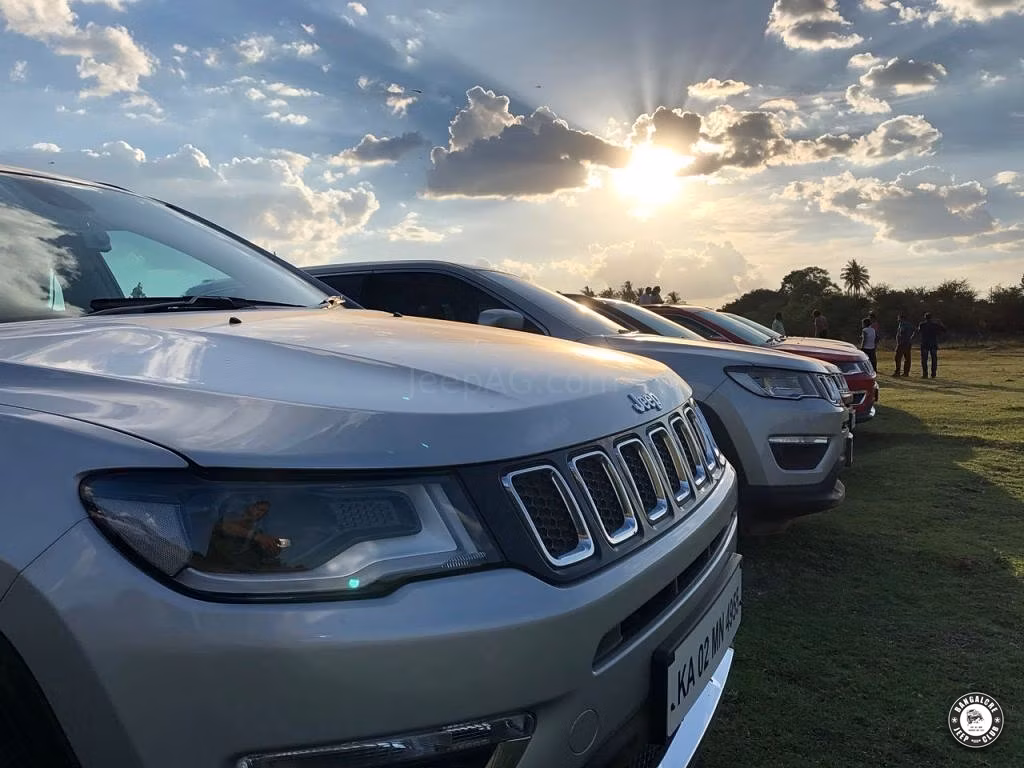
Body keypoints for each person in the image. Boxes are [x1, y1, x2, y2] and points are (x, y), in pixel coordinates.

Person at [913, 312, 946, 378]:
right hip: (933, 343)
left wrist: (913, 337)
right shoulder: (935, 325)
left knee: (924, 360)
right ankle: (933, 373)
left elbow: (918, 331)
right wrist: (940, 323)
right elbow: (944, 330)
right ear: (931, 317)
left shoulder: (922, 324)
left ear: (925, 317)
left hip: (924, 343)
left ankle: (925, 374)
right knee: (934, 359)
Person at [892, 311, 914, 376]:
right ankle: (906, 372)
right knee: (907, 358)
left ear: (901, 318)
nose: (897, 319)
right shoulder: (909, 324)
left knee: (897, 357)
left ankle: (897, 371)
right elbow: (914, 331)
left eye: (898, 318)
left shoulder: (902, 324)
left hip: (902, 343)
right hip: (908, 342)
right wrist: (911, 338)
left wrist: (900, 340)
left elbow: (902, 332)